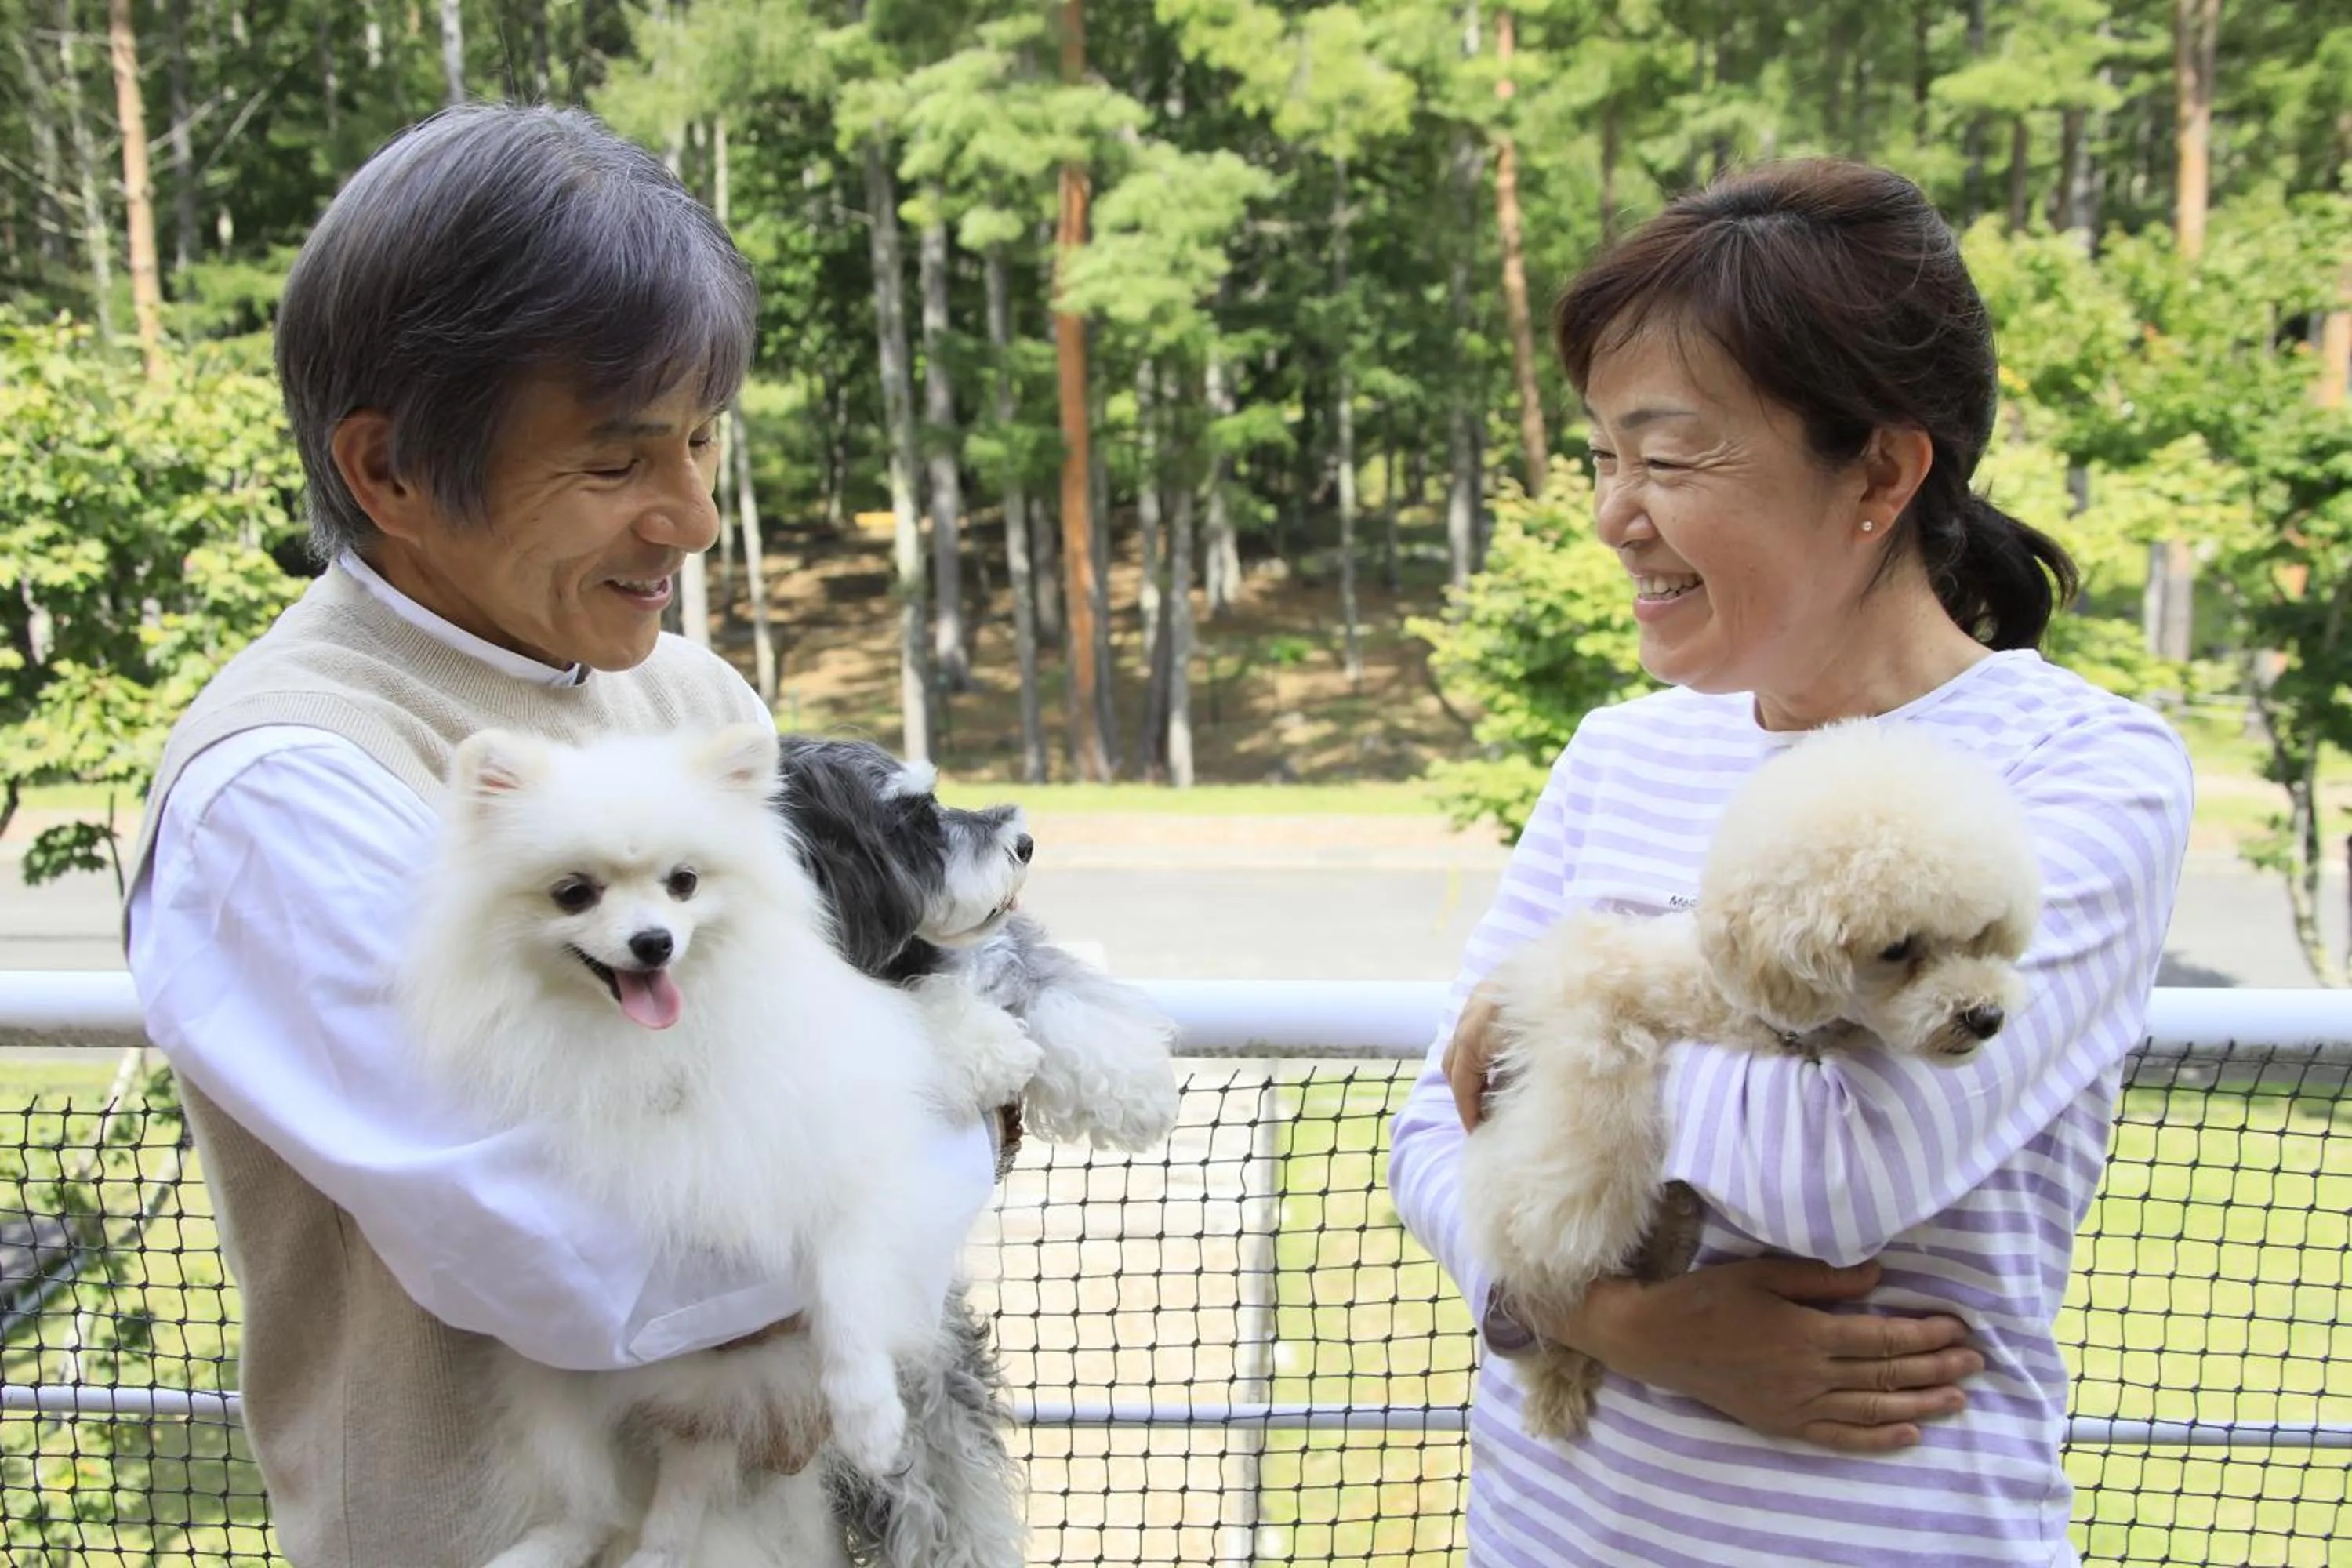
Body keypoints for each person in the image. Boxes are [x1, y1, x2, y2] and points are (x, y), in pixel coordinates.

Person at [120, 103, 1000, 1565]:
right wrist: (955, 1113)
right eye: (617, 463)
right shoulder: (280, 788)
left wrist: (897, 1116)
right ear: (387, 468)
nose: (696, 519)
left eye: (705, 441)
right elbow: (591, 1267)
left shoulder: (682, 691)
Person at [1387, 158, 2193, 1566]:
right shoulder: (1619, 752)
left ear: (1880, 468)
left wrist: (1560, 1025)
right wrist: (1622, 1325)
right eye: (1603, 455)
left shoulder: (2082, 777)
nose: (1613, 514)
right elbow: (1428, 1135)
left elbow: (1837, 1182)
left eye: (1671, 455)